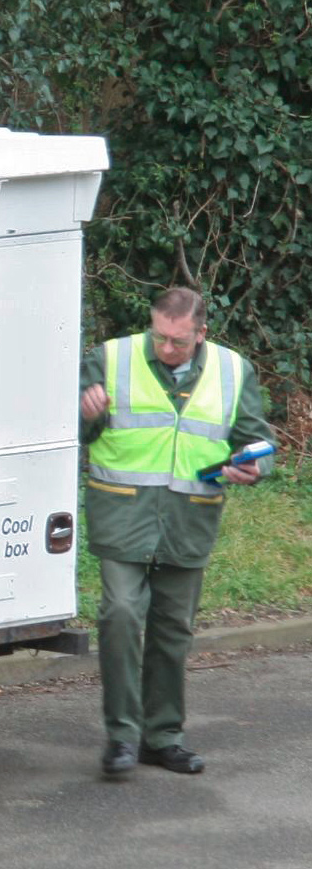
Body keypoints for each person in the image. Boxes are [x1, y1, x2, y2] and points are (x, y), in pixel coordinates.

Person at [80, 287, 275, 777]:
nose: (166, 348)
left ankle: (162, 737)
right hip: (123, 513)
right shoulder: (110, 358)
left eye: (178, 341)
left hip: (190, 517)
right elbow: (70, 431)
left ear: (201, 333)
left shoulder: (234, 371)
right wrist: (87, 414)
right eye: (159, 337)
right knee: (120, 614)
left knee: (172, 629)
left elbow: (256, 438)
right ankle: (122, 737)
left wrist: (255, 465)